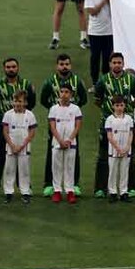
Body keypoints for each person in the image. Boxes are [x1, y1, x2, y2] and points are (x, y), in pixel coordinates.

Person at [93, 53, 135, 198]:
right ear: (109, 64)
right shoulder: (103, 80)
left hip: (127, 124)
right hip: (107, 123)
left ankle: (131, 188)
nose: (117, 65)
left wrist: (128, 109)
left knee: (129, 155)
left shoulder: (130, 80)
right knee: (103, 156)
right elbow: (97, 99)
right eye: (114, 62)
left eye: (119, 62)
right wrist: (107, 110)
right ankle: (100, 188)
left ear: (123, 64)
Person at [39, 53, 88, 196]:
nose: (64, 67)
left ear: (70, 65)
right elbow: (43, 100)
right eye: (61, 64)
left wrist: (72, 110)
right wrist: (56, 110)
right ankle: (49, 184)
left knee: (73, 153)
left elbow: (83, 99)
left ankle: (74, 184)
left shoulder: (77, 82)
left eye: (67, 64)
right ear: (57, 66)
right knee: (52, 152)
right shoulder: (50, 82)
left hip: (72, 122)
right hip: (56, 120)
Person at [0, 57, 36, 197]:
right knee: (0, 153)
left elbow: (31, 102)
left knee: (22, 153)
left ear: (18, 68)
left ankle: (24, 186)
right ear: (4, 68)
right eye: (8, 67)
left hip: (22, 122)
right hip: (3, 121)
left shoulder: (26, 84)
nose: (11, 69)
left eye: (13, 66)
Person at [47, 86, 82, 204]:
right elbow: (52, 126)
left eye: (67, 92)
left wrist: (69, 140)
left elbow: (77, 126)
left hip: (70, 143)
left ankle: (70, 191)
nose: (64, 94)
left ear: (71, 94)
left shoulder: (76, 109)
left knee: (69, 166)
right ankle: (57, 190)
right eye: (62, 92)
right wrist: (60, 140)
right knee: (56, 166)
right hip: (57, 142)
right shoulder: (53, 109)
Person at [1, 91, 36, 204]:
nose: (17, 104)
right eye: (15, 101)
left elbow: (32, 132)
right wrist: (12, 145)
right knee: (9, 169)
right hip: (11, 147)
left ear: (25, 102)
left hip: (24, 148)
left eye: (20, 101)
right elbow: (5, 132)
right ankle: (8, 192)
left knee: (24, 169)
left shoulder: (30, 115)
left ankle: (25, 192)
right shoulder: (8, 114)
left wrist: (22, 145)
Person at [82, 0, 113, 84]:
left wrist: (110, 1)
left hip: (108, 32)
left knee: (106, 59)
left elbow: (115, 12)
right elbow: (92, 12)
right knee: (95, 58)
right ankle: (95, 83)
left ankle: (105, 82)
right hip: (95, 32)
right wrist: (105, 0)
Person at [103, 96, 135, 203]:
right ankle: (113, 192)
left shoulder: (129, 119)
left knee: (124, 171)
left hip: (126, 150)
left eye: (121, 105)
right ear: (113, 106)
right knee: (113, 171)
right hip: (113, 151)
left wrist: (127, 147)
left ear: (125, 106)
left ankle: (123, 192)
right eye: (117, 105)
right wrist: (117, 148)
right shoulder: (109, 119)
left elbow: (131, 134)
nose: (119, 108)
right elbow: (109, 136)